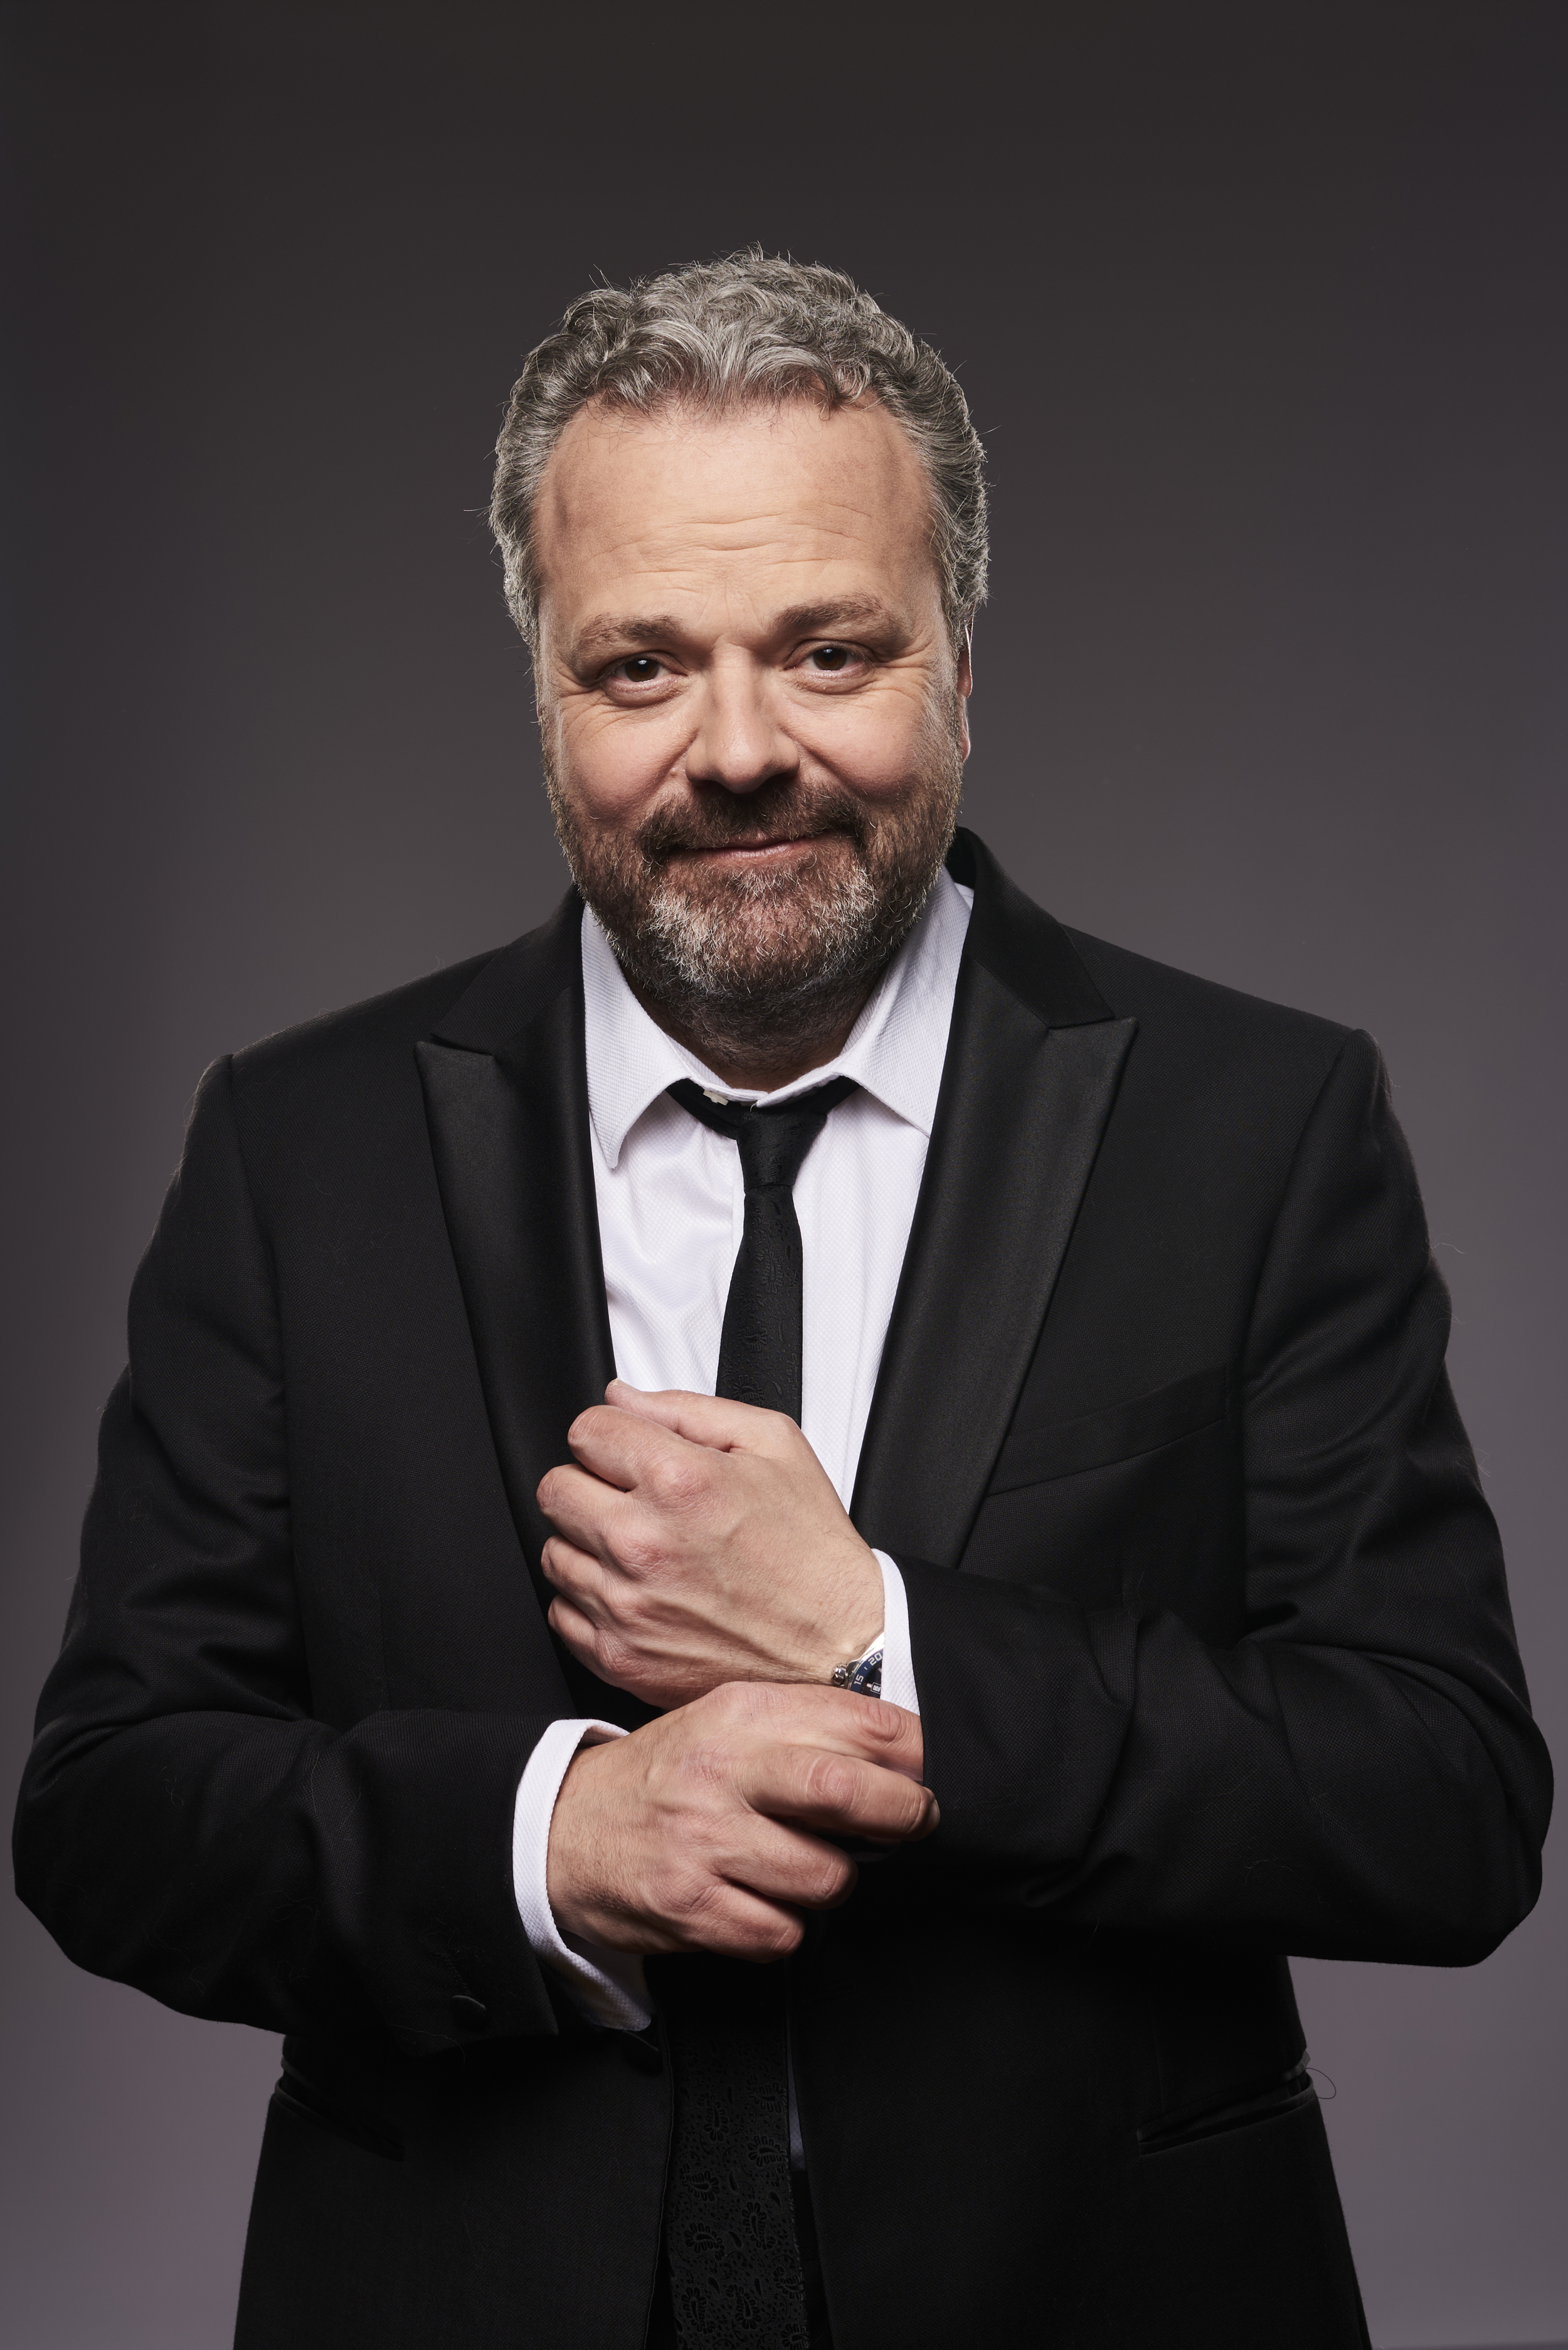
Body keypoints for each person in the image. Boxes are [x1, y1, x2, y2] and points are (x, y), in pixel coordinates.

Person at [13, 253, 1552, 2350]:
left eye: (828, 649)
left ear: (958, 668)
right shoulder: (297, 1150)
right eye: (638, 666)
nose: (738, 749)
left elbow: (1440, 1800)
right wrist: (558, 1835)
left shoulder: (1257, 1121)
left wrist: (876, 1635)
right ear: (543, 696)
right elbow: (109, 1804)